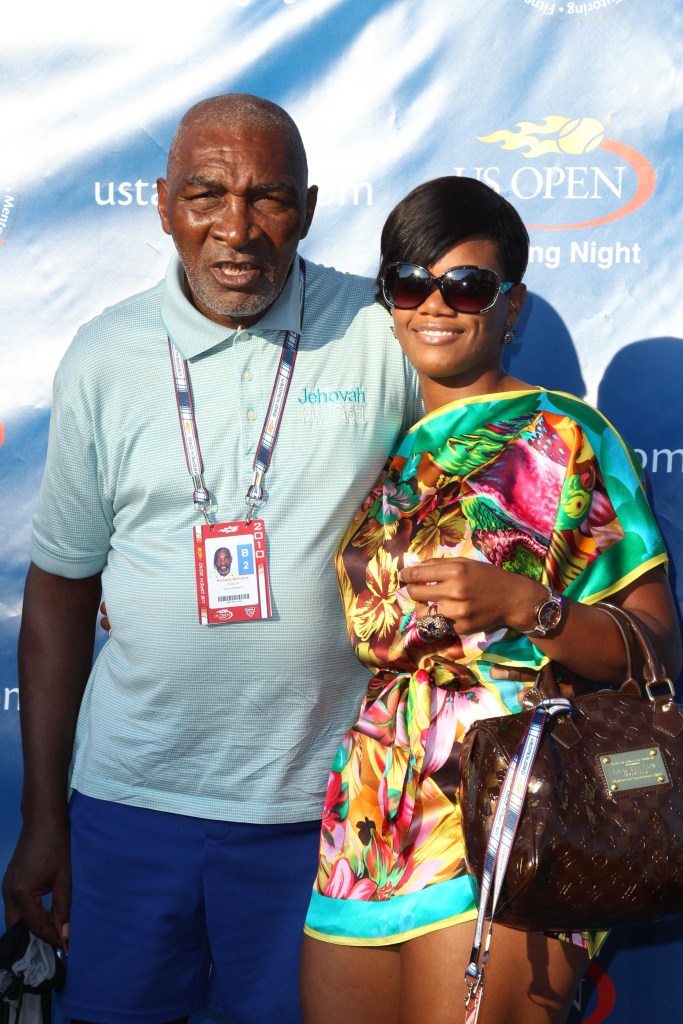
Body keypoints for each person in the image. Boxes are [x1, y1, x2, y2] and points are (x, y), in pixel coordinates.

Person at [1, 93, 421, 1024]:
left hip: (325, 810)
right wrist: (42, 818)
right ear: (162, 206)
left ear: (306, 210)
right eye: (206, 194)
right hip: (132, 808)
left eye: (268, 198)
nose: (237, 229)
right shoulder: (106, 354)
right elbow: (63, 594)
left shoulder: (381, 335)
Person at [299, 176, 681, 1024]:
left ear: (510, 306)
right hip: (369, 805)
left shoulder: (564, 434)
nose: (435, 304)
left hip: (511, 796)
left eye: (466, 285)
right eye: (410, 282)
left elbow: (653, 646)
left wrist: (525, 606)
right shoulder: (384, 452)